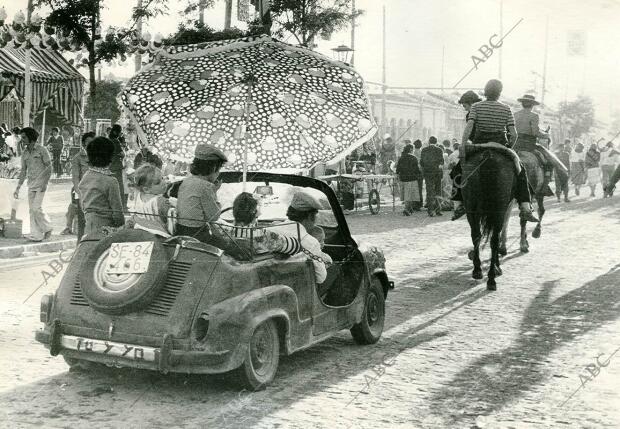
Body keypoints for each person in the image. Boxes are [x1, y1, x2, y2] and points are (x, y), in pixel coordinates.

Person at [456, 80, 539, 222]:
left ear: (485, 92)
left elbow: (469, 128)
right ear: (499, 93)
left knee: (458, 169)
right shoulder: (506, 108)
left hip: (478, 146)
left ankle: (458, 204)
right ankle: (525, 207)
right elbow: (514, 134)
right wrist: (509, 148)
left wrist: (464, 146)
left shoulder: (476, 107)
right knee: (521, 172)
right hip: (500, 145)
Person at [269, 191, 327, 284]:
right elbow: (321, 278)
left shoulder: (271, 230)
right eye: (315, 216)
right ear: (309, 216)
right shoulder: (310, 242)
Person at [176, 144, 228, 242]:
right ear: (213, 168)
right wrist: (214, 192)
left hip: (180, 230)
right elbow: (214, 216)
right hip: (197, 234)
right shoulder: (206, 187)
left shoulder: (187, 181)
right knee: (231, 246)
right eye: (219, 170)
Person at [78, 137, 125, 236]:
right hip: (106, 230)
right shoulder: (111, 181)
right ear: (110, 157)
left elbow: (83, 204)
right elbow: (118, 213)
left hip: (88, 227)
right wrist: (122, 226)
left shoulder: (86, 176)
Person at [513, 94, 558, 196]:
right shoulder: (534, 116)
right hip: (528, 146)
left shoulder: (515, 115)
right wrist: (546, 135)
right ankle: (545, 187)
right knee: (547, 162)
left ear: (522, 104)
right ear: (532, 105)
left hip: (515, 145)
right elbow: (535, 132)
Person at [13, 127, 53, 242]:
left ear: (31, 137)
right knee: (32, 210)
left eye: (24, 137)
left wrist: (45, 183)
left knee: (36, 208)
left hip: (41, 184)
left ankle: (48, 227)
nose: (22, 140)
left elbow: (49, 167)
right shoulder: (25, 153)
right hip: (31, 184)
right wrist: (18, 187)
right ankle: (36, 235)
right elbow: (23, 171)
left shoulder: (42, 150)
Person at [129, 163, 172, 234]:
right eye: (158, 182)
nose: (164, 182)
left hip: (142, 232)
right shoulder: (161, 201)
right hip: (160, 235)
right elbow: (171, 222)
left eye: (162, 178)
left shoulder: (138, 196)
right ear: (146, 189)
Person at [70, 131, 95, 240]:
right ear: (84, 144)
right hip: (83, 194)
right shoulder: (77, 158)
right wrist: (80, 196)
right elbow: (75, 178)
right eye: (88, 142)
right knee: (83, 223)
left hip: (97, 193)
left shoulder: (98, 157)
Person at [420, 136, 444, 217]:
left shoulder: (424, 150)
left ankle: (430, 210)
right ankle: (438, 210)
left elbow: (421, 162)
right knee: (438, 191)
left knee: (429, 191)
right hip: (437, 173)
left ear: (429, 142)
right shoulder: (439, 150)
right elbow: (442, 162)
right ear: (436, 142)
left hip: (428, 173)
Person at [395, 143, 422, 215]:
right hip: (412, 178)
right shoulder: (414, 158)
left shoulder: (401, 157)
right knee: (410, 194)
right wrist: (419, 174)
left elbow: (398, 169)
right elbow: (417, 169)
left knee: (406, 194)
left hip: (403, 178)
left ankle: (409, 208)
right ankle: (406, 209)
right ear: (410, 150)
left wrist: (397, 175)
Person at [108, 124, 127, 208]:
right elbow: (122, 154)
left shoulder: (109, 140)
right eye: (120, 131)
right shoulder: (115, 141)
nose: (121, 133)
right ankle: (121, 205)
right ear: (116, 132)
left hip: (110, 166)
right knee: (119, 186)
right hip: (116, 166)